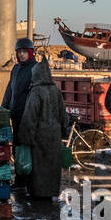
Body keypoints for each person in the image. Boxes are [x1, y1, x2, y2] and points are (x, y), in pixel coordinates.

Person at [17, 58, 72, 199]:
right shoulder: (56, 91)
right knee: (52, 167)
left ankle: (38, 194)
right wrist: (63, 131)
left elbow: (29, 116)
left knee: (39, 168)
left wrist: (24, 138)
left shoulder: (36, 91)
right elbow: (63, 115)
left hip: (39, 138)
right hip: (54, 137)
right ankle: (51, 192)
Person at [0, 38, 39, 140]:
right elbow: (10, 90)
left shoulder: (36, 68)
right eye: (19, 52)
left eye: (25, 52)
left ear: (30, 52)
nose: (21, 54)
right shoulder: (15, 68)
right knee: (16, 142)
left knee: (28, 142)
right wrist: (4, 108)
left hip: (29, 115)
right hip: (15, 113)